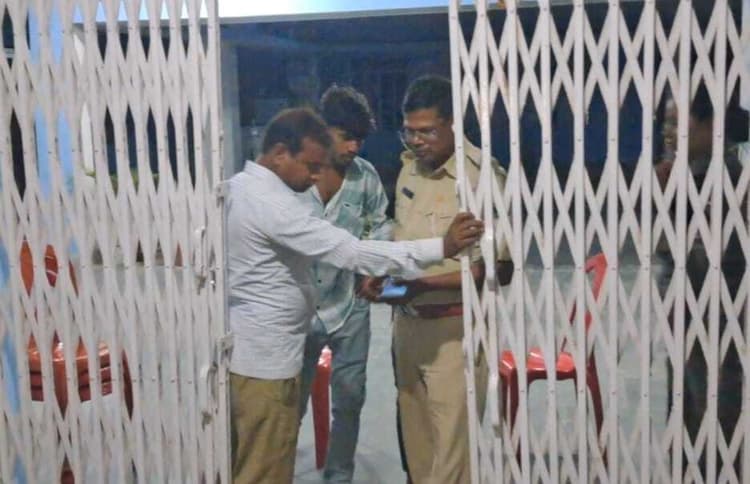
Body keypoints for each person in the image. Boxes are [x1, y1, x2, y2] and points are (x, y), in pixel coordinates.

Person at [226, 107, 485, 484]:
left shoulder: (239, 187)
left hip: (279, 344)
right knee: (264, 469)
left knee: (326, 415)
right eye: (310, 166)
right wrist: (441, 247)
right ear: (280, 153)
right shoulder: (271, 204)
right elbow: (350, 251)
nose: (316, 176)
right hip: (267, 362)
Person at [366, 75, 512, 483]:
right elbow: (406, 242)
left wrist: (420, 286)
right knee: (418, 454)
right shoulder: (408, 170)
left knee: (452, 458)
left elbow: (497, 269)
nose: (416, 141)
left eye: (427, 131)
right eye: (409, 131)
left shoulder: (480, 178)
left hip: (454, 334)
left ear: (452, 124)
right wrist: (383, 277)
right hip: (407, 329)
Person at [296, 85, 390, 483]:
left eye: (360, 139)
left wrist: (374, 267)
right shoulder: (294, 177)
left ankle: (339, 476)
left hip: (350, 306)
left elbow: (381, 223)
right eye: (346, 136)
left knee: (350, 400)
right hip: (299, 310)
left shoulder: (365, 176)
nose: (354, 147)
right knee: (289, 402)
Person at [655, 87, 747, 474]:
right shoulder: (687, 171)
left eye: (678, 122)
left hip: (713, 308)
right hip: (688, 308)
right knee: (689, 399)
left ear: (711, 125)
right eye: (665, 123)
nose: (668, 132)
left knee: (712, 400)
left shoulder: (724, 176)